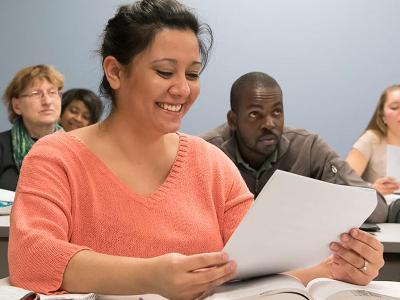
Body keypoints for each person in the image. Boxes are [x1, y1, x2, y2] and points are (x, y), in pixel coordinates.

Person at [9, 1, 383, 299]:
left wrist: (338, 266)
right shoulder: (55, 157)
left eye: (192, 74)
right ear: (115, 72)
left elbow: (258, 264)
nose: (182, 90)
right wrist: (151, 276)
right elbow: (33, 256)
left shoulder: (210, 163)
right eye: (164, 71)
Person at [201, 72, 388, 224]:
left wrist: (317, 203)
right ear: (233, 120)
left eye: (276, 112)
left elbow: (375, 208)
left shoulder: (308, 148)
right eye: (255, 114)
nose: (269, 123)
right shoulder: (206, 152)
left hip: (293, 264)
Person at [0, 64, 64, 191]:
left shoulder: (76, 147)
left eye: (52, 92)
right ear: (16, 106)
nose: (47, 101)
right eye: (36, 94)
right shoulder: (2, 145)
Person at [347, 84, 400, 196]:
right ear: (383, 116)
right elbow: (343, 182)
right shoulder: (371, 140)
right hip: (378, 209)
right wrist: (372, 188)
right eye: (394, 108)